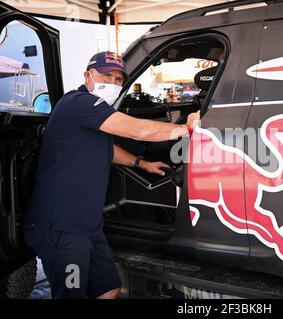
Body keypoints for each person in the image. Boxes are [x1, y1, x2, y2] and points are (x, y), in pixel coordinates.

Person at [23, 51, 199, 299]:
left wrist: (141, 163)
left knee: (108, 289)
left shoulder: (95, 113)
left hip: (88, 225)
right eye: (106, 76)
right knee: (72, 292)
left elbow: (107, 148)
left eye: (118, 79)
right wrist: (187, 128)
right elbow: (137, 131)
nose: (113, 83)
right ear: (87, 75)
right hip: (62, 227)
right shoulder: (79, 103)